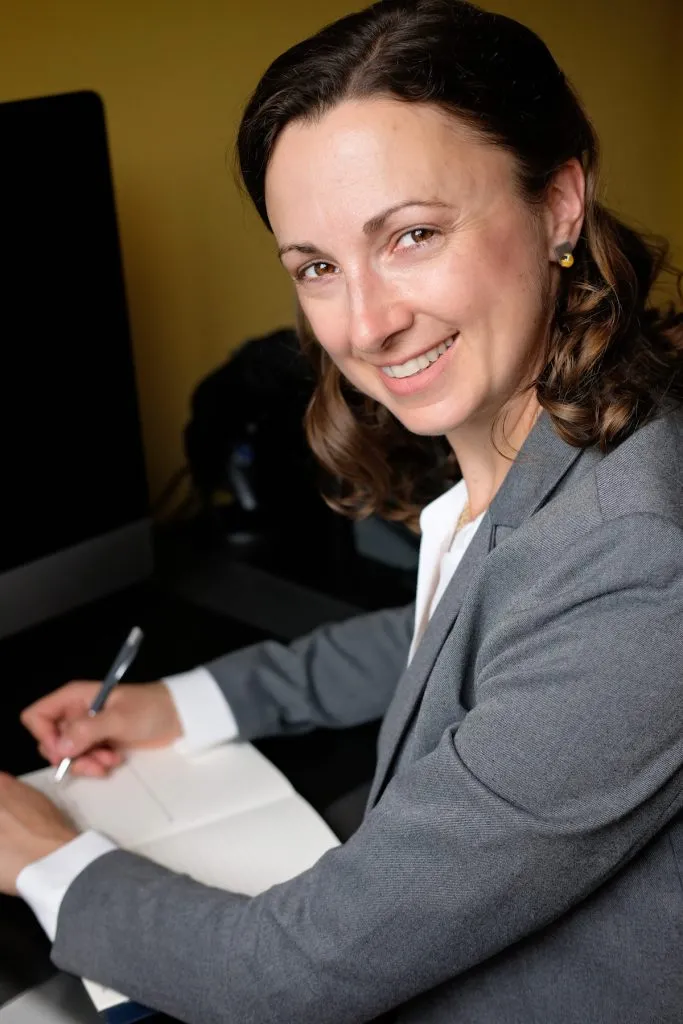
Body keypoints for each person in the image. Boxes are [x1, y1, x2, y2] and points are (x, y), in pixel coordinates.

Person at [1, 0, 683, 1020]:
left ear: (558, 204)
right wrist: (188, 703)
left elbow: (292, 976)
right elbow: (476, 638)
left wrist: (46, 858)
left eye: (410, 234)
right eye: (317, 267)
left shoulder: (641, 554)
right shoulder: (568, 452)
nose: (363, 324)